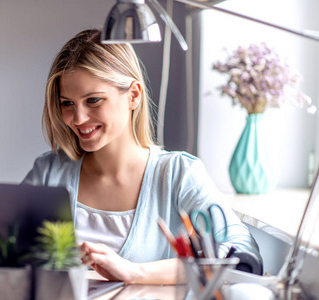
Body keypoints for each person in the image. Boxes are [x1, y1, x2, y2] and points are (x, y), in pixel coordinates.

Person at [22, 29, 262, 284]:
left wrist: (134, 272)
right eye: (67, 103)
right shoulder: (48, 171)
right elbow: (4, 249)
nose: (78, 118)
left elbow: (242, 260)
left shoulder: (178, 174)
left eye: (93, 100)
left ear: (133, 95)